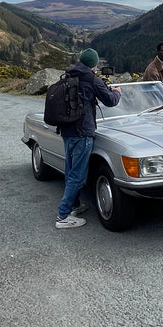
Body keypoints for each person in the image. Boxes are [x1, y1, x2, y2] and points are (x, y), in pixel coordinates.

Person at [55, 48, 121, 230]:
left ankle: (74, 206)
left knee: (70, 171)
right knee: (78, 175)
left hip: (67, 130)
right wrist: (117, 91)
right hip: (83, 132)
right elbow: (110, 100)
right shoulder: (92, 79)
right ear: (94, 64)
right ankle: (63, 215)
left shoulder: (70, 75)